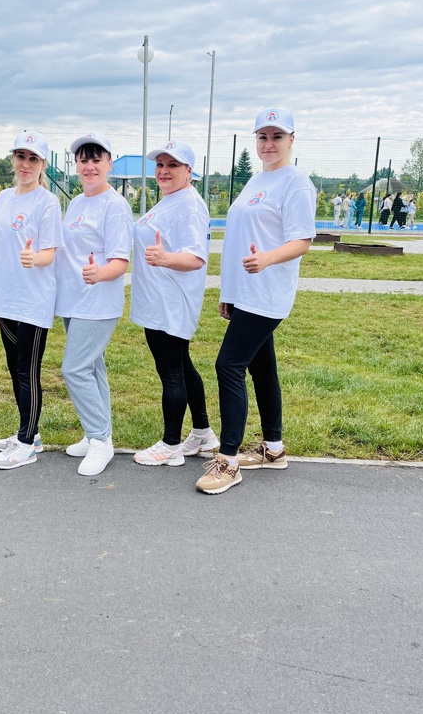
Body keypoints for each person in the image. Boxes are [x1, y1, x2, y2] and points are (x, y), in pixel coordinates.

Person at [196, 106, 316, 495]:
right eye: (263, 137)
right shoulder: (256, 179)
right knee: (262, 368)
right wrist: (229, 292)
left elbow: (302, 240)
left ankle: (227, 461)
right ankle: (273, 449)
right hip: (246, 293)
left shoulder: (296, 183)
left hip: (268, 292)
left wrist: (267, 259)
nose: (269, 143)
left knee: (228, 365)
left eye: (277, 136)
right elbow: (238, 239)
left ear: (291, 140)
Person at [0, 131, 64, 469]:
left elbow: (50, 253)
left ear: (43, 164)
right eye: (21, 157)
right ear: (13, 159)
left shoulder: (47, 202)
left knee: (28, 370)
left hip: (33, 300)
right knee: (14, 368)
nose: (26, 164)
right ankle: (30, 432)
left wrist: (34, 258)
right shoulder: (3, 198)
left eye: (33, 159)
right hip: (5, 295)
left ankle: (26, 445)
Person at [130, 141, 218, 467]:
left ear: (189, 171)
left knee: (171, 373)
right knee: (181, 366)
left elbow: (195, 258)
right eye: (160, 165)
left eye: (173, 165)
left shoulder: (188, 206)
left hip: (169, 302)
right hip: (159, 299)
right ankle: (203, 433)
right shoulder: (172, 199)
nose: (164, 171)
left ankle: (170, 446)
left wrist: (165, 258)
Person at [55, 132, 133, 477]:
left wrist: (99, 273)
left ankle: (100, 441)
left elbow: (120, 262)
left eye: (96, 159)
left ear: (109, 164)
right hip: (74, 301)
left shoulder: (114, 206)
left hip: (98, 302)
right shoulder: (76, 203)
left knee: (74, 369)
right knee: (92, 367)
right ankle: (98, 434)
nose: (89, 166)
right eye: (83, 160)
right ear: (76, 165)